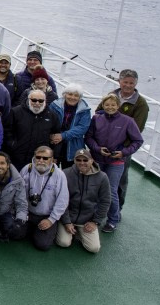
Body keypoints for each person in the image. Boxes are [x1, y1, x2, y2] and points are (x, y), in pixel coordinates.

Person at [84, 93, 143, 233]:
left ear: (118, 106)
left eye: (113, 105)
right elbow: (89, 137)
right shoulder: (96, 118)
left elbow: (138, 140)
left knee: (111, 191)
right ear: (103, 105)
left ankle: (113, 220)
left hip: (116, 162)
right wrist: (97, 149)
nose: (110, 107)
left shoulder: (127, 121)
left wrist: (124, 152)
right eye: (107, 105)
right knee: (95, 188)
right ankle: (95, 215)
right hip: (98, 159)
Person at [105, 69, 149, 209]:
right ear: (119, 81)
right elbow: (100, 114)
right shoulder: (111, 96)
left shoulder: (141, 104)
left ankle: (117, 209)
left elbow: (137, 129)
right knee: (102, 176)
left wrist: (123, 150)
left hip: (123, 149)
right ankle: (101, 206)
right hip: (105, 146)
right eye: (125, 82)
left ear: (135, 83)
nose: (128, 85)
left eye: (131, 83)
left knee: (120, 180)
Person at [56, 149, 110, 253]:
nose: (82, 163)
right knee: (63, 243)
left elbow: (105, 201)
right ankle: (71, 232)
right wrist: (66, 221)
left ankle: (78, 233)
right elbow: (61, 200)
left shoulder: (102, 177)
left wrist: (95, 222)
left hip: (87, 220)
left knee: (94, 248)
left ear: (92, 160)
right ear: (75, 160)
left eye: (85, 160)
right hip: (68, 218)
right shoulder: (65, 174)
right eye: (78, 160)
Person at [19, 145, 68, 251]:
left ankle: (46, 230)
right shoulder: (27, 169)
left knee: (43, 245)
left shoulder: (59, 175)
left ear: (52, 159)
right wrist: (21, 212)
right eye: (38, 157)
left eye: (45, 158)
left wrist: (51, 220)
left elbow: (62, 200)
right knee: (15, 234)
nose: (41, 160)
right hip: (27, 213)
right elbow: (19, 193)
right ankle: (30, 229)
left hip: (46, 216)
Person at [4, 89, 62, 170]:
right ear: (28, 99)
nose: (37, 103)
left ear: (45, 101)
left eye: (41, 101)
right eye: (34, 100)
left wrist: (55, 156)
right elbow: (7, 132)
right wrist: (13, 145)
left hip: (40, 159)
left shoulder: (52, 116)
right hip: (17, 157)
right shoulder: (15, 112)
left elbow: (56, 136)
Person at [49, 84, 92, 168]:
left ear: (80, 97)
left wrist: (63, 136)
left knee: (70, 173)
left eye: (76, 95)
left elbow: (82, 128)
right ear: (64, 94)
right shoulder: (54, 105)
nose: (72, 97)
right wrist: (51, 136)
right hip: (54, 143)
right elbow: (48, 121)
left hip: (73, 145)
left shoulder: (84, 110)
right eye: (70, 94)